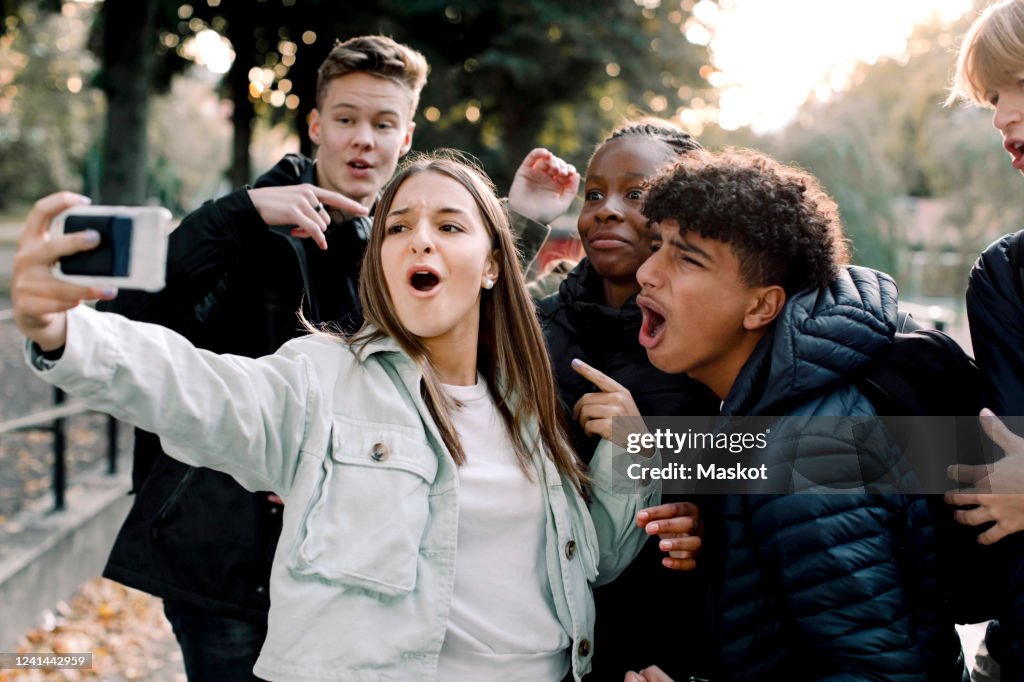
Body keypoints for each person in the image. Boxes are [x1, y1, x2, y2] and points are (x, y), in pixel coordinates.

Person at [13, 153, 691, 681]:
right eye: (398, 228)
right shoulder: (321, 379)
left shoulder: (534, 405)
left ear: (490, 266)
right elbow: (193, 386)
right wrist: (62, 330)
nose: (419, 241)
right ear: (383, 264)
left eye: (449, 226)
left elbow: (593, 560)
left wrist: (636, 456)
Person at [97, 35, 580, 681]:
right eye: (347, 119)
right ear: (317, 125)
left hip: (355, 562)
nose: (364, 140)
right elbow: (131, 323)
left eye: (383, 124)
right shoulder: (243, 227)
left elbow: (476, 325)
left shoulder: (406, 243)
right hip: (229, 559)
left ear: (406, 136)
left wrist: (517, 222)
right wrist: (240, 214)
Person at [623, 148, 964, 681]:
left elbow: (880, 675)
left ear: (761, 307)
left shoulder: (808, 447)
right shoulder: (776, 405)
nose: (647, 272)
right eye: (656, 246)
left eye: (687, 259)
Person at [537, 122, 719, 680]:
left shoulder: (709, 337)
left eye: (635, 194)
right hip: (537, 639)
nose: (607, 210)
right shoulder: (537, 326)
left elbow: (761, 457)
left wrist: (707, 518)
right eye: (594, 194)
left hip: (657, 649)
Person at [944, 3, 1024, 677]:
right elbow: (1003, 470)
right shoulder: (1005, 276)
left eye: (1021, 83)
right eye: (994, 96)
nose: (1001, 116)